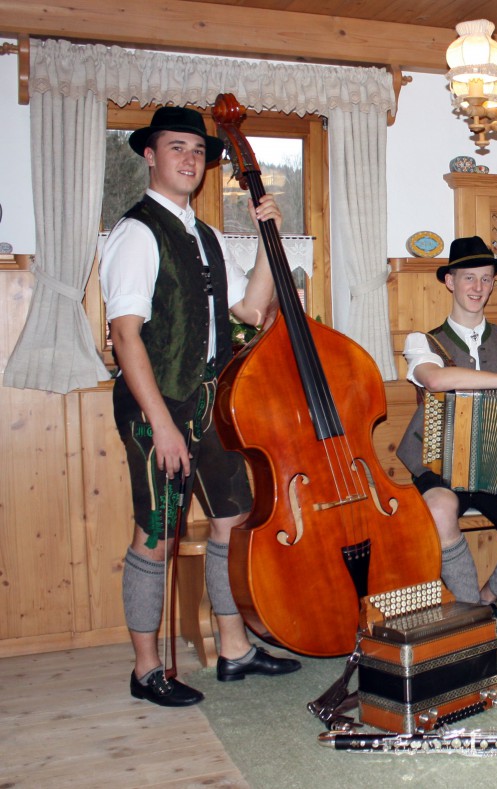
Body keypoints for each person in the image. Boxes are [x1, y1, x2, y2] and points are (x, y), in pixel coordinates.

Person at [100, 106, 301, 707]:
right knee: (156, 536)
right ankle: (145, 670)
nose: (189, 159)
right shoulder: (137, 232)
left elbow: (252, 310)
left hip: (212, 406)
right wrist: (162, 425)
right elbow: (125, 336)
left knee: (231, 521)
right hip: (156, 409)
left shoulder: (207, 235)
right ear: (150, 156)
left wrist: (268, 239)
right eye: (176, 147)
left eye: (197, 151)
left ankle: (234, 649)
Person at [396, 236, 497, 608]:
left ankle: (484, 600)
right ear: (449, 281)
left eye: (485, 278)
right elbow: (435, 380)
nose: (478, 287)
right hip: (439, 467)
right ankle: (472, 616)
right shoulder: (423, 341)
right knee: (438, 509)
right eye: (468, 277)